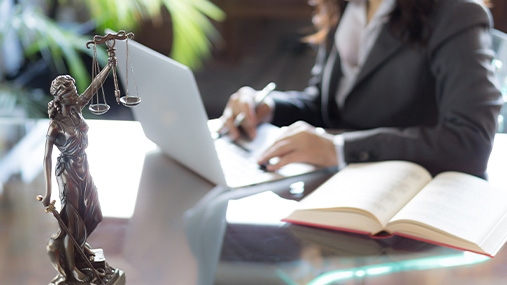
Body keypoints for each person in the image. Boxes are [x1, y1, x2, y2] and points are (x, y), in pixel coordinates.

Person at [219, 0, 503, 178]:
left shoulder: (457, 12)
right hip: (339, 184)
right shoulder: (345, 6)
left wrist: (339, 149)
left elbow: (471, 142)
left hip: (407, 199)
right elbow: (328, 106)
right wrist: (268, 106)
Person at [41, 56, 116, 283]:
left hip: (84, 166)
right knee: (72, 224)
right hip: (67, 171)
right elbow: (46, 156)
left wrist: (109, 67)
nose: (76, 93)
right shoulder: (55, 125)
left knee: (93, 214)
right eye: (72, 91)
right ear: (63, 97)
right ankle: (72, 270)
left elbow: (93, 88)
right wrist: (48, 193)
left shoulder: (76, 109)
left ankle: (79, 251)